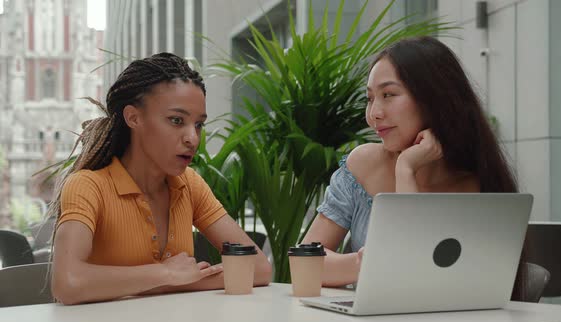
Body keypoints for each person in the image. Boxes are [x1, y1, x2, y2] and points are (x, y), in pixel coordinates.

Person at [302, 36, 526, 300]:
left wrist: (405, 169)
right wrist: (365, 264)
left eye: (388, 95)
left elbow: (414, 280)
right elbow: (305, 263)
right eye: (370, 98)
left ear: (434, 98)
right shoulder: (363, 165)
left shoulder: (475, 184)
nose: (374, 113)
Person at [49, 53, 272, 305]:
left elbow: (257, 267)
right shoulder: (88, 186)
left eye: (198, 124)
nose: (193, 138)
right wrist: (164, 273)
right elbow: (67, 282)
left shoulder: (190, 184)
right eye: (176, 121)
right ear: (133, 117)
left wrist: (168, 282)